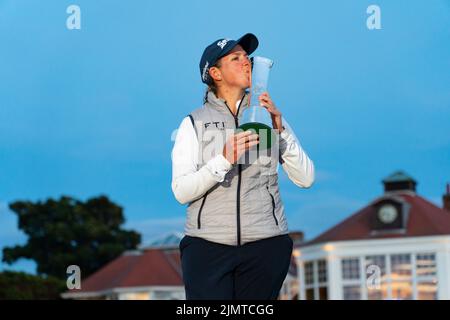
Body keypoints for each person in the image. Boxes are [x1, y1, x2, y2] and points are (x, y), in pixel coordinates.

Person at [171, 33, 315, 300]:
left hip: (267, 243)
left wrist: (280, 130)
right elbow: (181, 192)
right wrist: (224, 159)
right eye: (235, 58)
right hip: (207, 247)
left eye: (247, 58)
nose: (246, 63)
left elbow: (305, 178)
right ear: (215, 73)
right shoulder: (193, 122)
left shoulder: (270, 115)